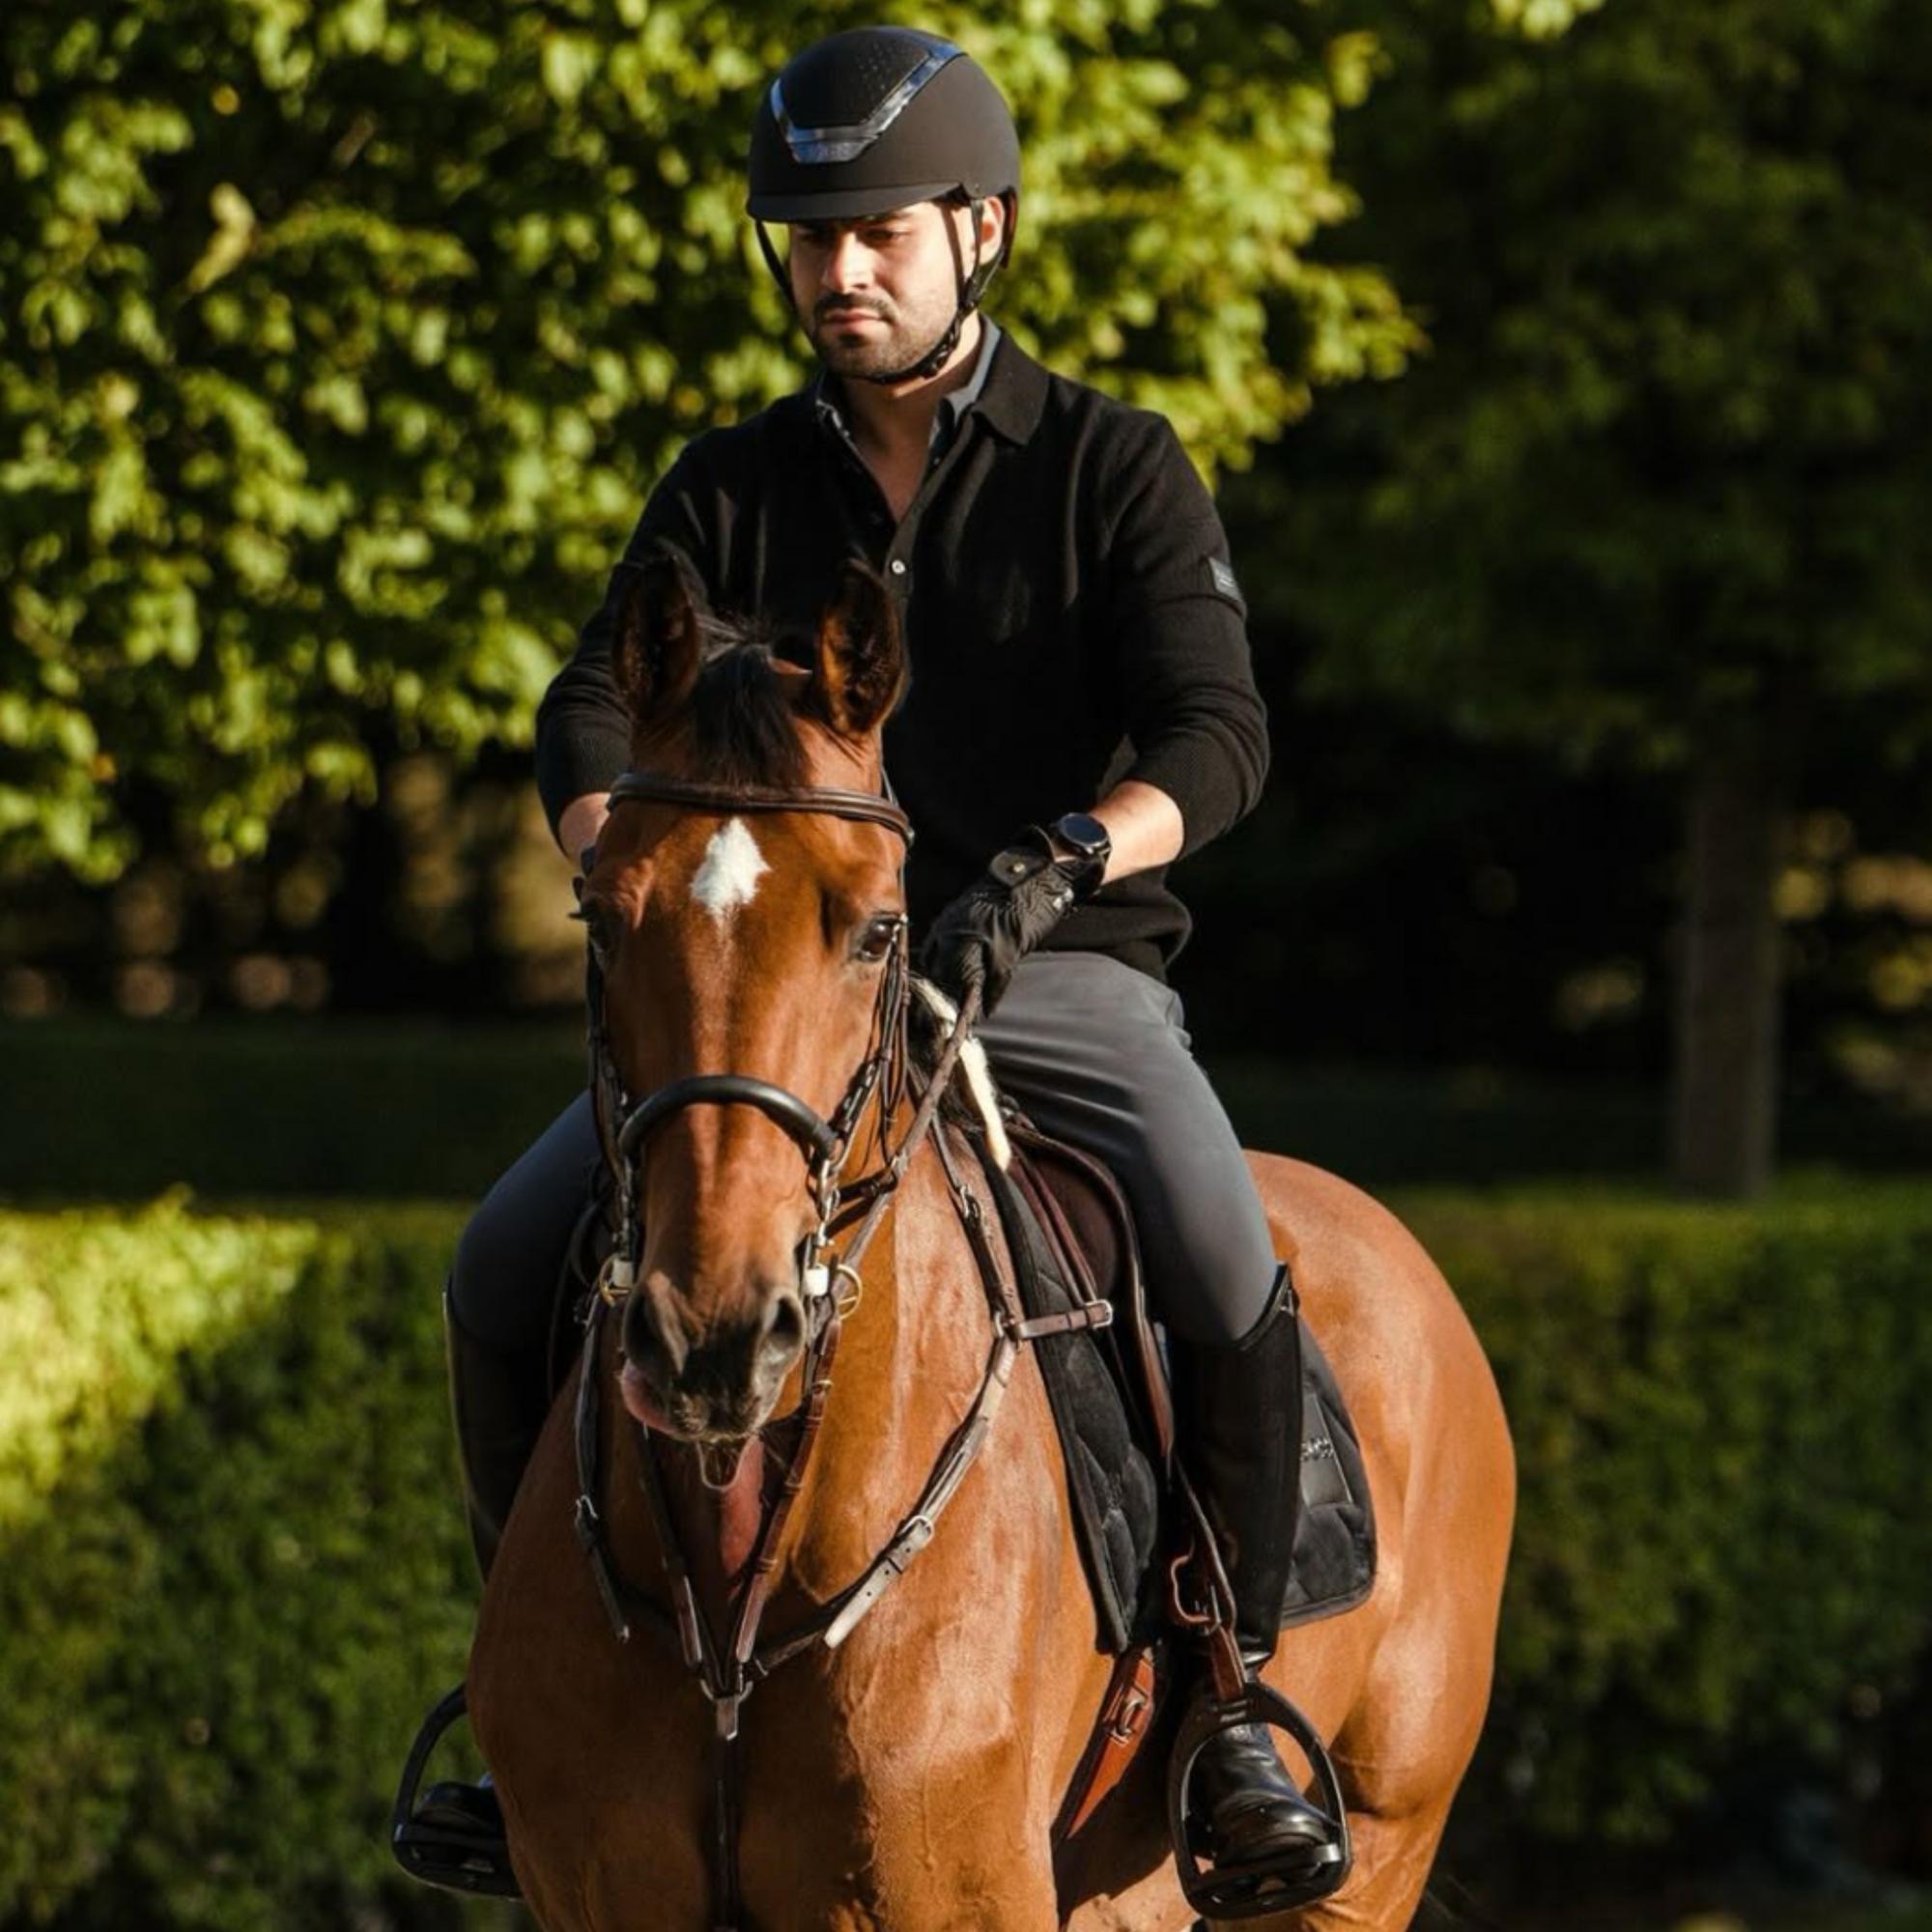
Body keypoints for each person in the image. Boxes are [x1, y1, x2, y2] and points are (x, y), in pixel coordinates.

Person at [407, 23, 1342, 1900]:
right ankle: (541, 1705)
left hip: (1054, 970)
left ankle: (1230, 1698)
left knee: (1218, 1244)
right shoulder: (728, 485)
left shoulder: (1114, 466)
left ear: (982, 230)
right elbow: (592, 704)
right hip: (774, 999)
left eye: (879, 234)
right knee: (503, 1260)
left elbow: (1217, 734)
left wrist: (1064, 859)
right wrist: (628, 863)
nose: (838, 271)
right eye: (810, 240)